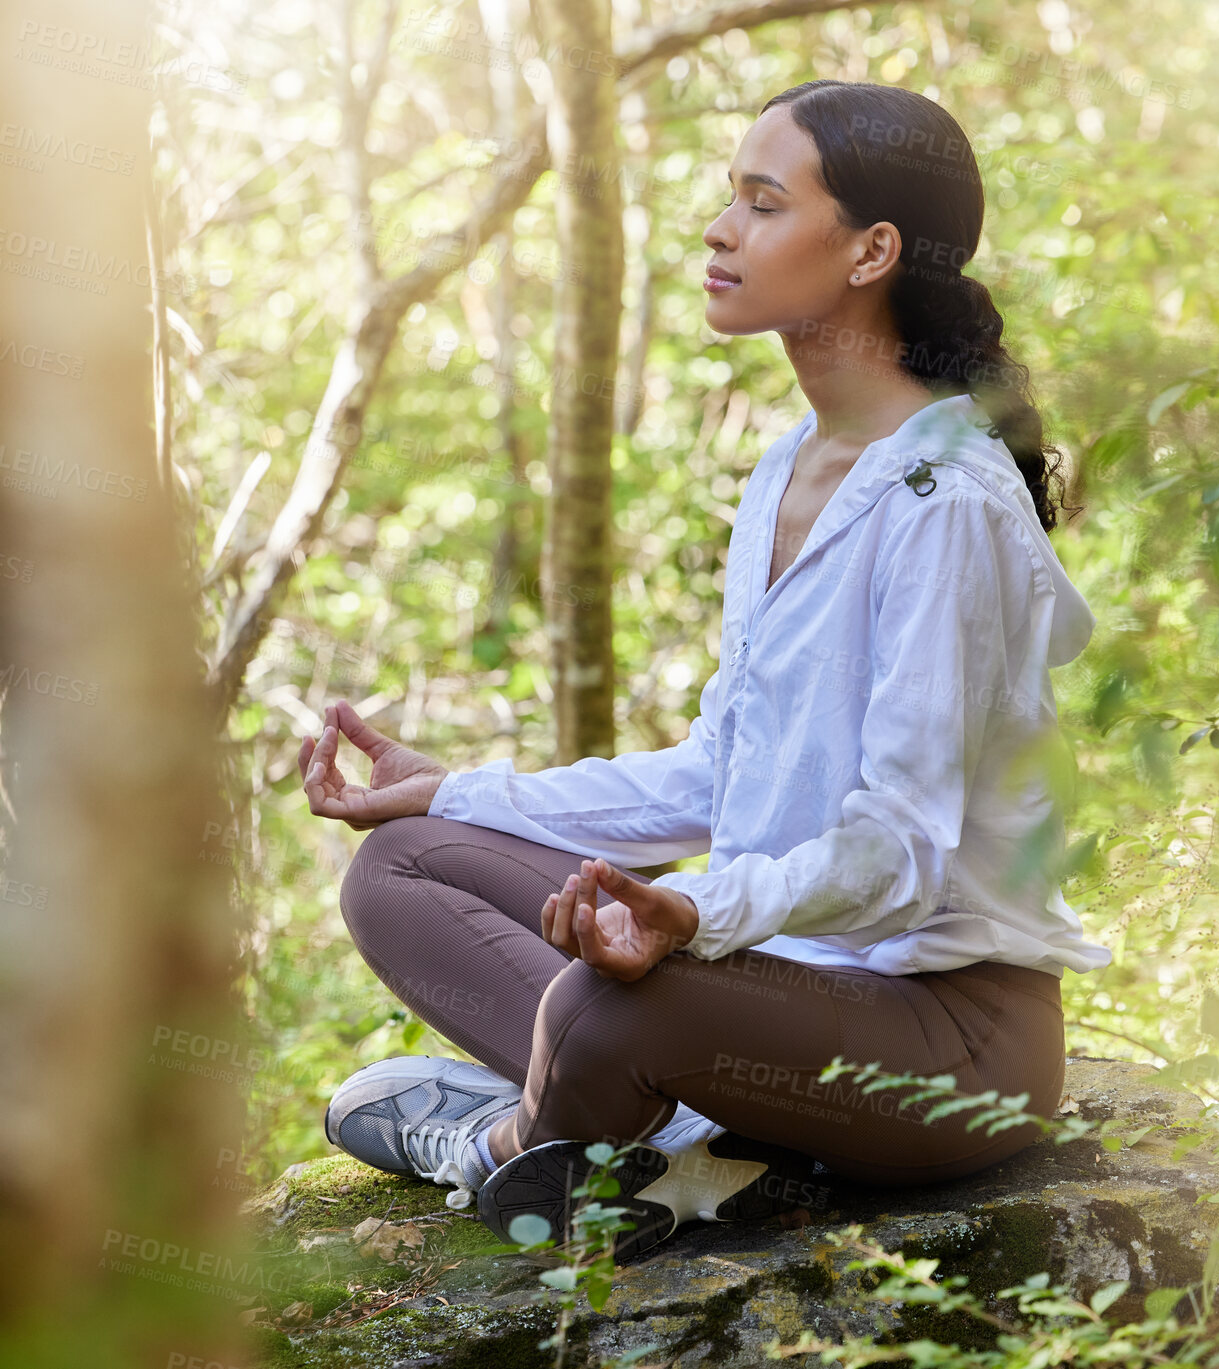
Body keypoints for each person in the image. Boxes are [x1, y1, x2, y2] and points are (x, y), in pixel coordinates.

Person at [303, 79, 1110, 1263]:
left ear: (871, 250)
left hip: (953, 1051)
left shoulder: (946, 500)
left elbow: (897, 855)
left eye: (761, 202)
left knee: (602, 1001)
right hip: (774, 1004)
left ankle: (507, 1148)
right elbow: (716, 776)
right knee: (401, 868)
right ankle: (652, 1140)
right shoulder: (791, 465)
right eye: (730, 197)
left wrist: (698, 915)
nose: (717, 230)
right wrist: (451, 792)